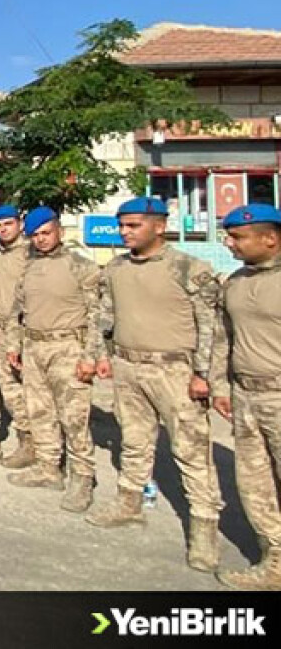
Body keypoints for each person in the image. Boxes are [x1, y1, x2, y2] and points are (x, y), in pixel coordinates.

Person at [86, 197, 223, 572]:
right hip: (129, 365)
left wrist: (205, 375)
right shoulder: (115, 268)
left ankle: (204, 529)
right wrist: (101, 354)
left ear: (159, 226)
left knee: (192, 451)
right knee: (134, 440)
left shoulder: (189, 268)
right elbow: (106, 316)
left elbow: (211, 327)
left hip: (175, 371)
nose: (124, 232)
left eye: (133, 225)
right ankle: (130, 504)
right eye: (122, 226)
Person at [5, 207, 103, 512]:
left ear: (59, 230)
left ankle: (82, 476)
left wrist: (90, 357)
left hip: (68, 348)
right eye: (35, 235)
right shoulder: (29, 268)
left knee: (74, 416)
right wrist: (14, 345)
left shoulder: (82, 267)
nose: (41, 240)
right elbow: (17, 310)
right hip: (34, 347)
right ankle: (49, 467)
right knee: (39, 411)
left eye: (46, 233)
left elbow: (97, 316)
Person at [214, 203, 281, 589]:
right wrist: (221, 385)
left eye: (237, 236)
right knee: (255, 485)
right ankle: (273, 560)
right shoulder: (235, 282)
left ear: (269, 237)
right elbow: (224, 338)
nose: (229, 242)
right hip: (247, 397)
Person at [0, 205, 35, 469]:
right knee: (8, 385)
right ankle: (26, 439)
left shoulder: (31, 253)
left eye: (8, 224)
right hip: (4, 328)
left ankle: (42, 442)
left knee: (33, 388)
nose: (4, 229)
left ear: (19, 224)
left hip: (27, 328)